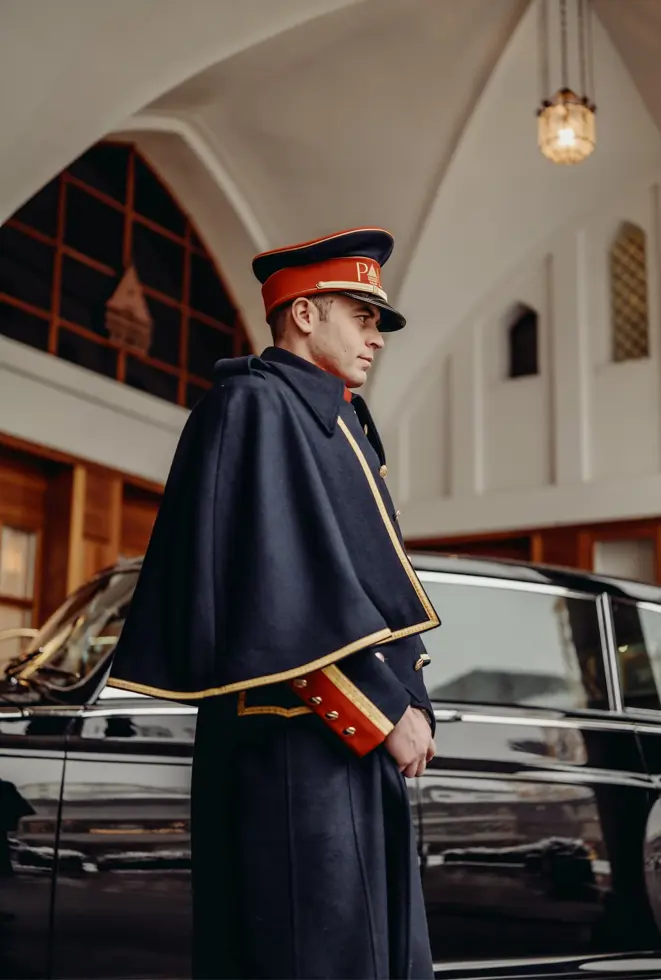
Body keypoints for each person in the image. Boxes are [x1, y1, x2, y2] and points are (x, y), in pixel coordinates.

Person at [108, 227, 441, 979]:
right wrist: (385, 713)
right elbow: (276, 598)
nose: (375, 338)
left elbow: (359, 592)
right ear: (301, 313)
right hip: (292, 747)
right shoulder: (252, 408)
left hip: (348, 744)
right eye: (360, 315)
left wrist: (408, 705)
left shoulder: (337, 421)